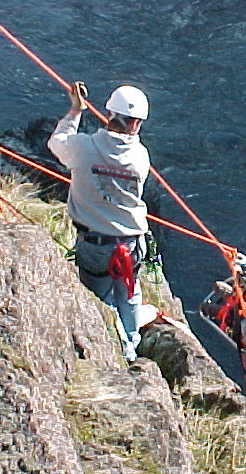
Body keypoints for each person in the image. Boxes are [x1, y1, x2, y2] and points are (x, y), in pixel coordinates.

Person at [47, 81, 151, 363]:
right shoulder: (140, 157)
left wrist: (75, 111)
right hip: (131, 244)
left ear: (108, 114)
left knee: (100, 300)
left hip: (95, 244)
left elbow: (56, 143)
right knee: (129, 294)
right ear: (136, 124)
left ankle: (118, 351)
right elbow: (124, 146)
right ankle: (132, 344)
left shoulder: (83, 148)